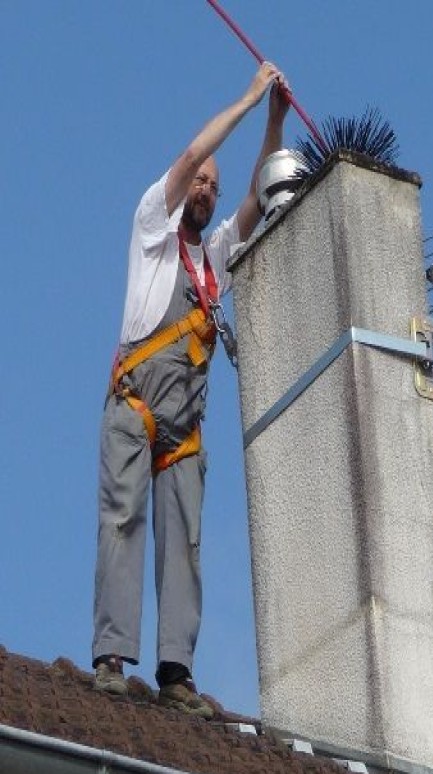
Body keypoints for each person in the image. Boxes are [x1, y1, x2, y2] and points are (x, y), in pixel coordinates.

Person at [92, 61, 290, 718]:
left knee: (186, 544)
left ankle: (175, 671)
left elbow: (258, 200)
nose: (207, 188)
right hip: (136, 407)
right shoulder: (152, 226)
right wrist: (247, 96)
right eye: (201, 183)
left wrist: (275, 121)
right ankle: (112, 657)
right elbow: (192, 152)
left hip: (183, 431)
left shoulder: (215, 258)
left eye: (214, 187)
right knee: (122, 519)